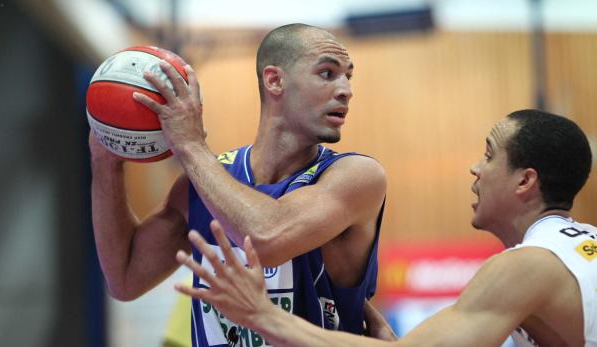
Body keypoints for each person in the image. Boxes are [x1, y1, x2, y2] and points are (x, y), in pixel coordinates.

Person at [175, 109, 597, 347]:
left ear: (525, 180)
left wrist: (263, 316)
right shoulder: (579, 247)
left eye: (488, 155)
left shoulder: (528, 266)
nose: (476, 169)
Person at [90, 23, 395, 346]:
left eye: (349, 76)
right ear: (275, 80)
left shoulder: (356, 176)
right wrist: (105, 161)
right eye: (328, 73)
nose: (346, 89)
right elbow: (124, 279)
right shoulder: (203, 182)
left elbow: (267, 238)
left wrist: (191, 146)